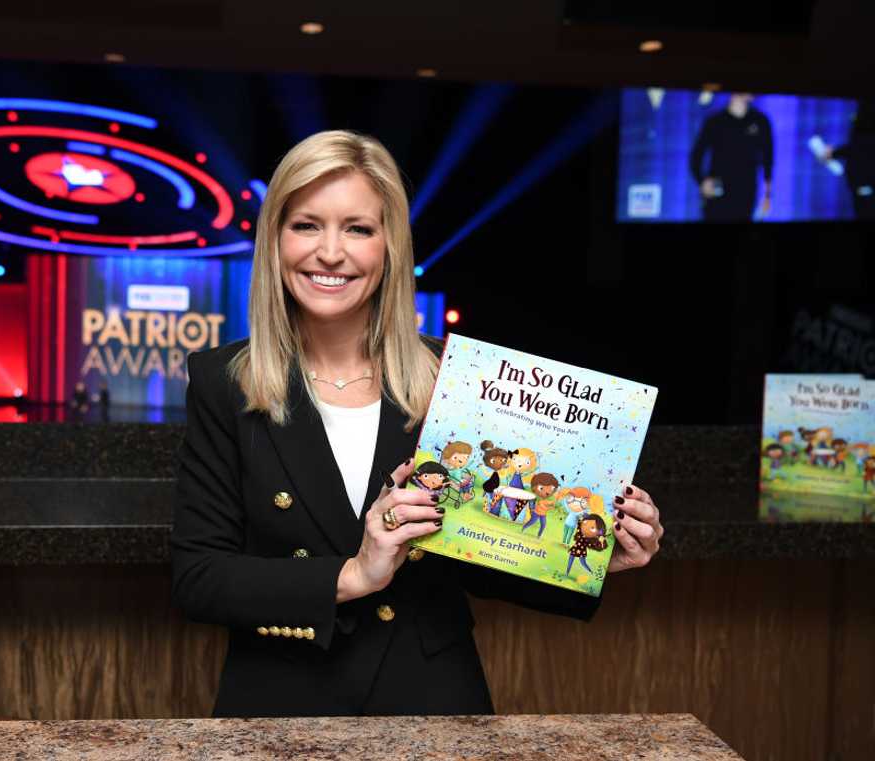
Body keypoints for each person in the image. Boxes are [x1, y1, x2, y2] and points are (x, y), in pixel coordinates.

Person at [171, 130, 664, 717]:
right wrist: (353, 576)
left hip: (429, 695)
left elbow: (489, 551)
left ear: (390, 246)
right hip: (282, 693)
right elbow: (199, 577)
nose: (331, 252)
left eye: (358, 228)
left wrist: (599, 553)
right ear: (274, 239)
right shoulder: (220, 380)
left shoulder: (458, 380)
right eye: (306, 225)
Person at [689, 93, 774, 221]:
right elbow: (696, 156)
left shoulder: (761, 121)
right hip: (718, 193)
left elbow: (768, 158)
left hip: (746, 194)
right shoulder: (715, 121)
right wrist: (702, 181)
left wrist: (767, 195)